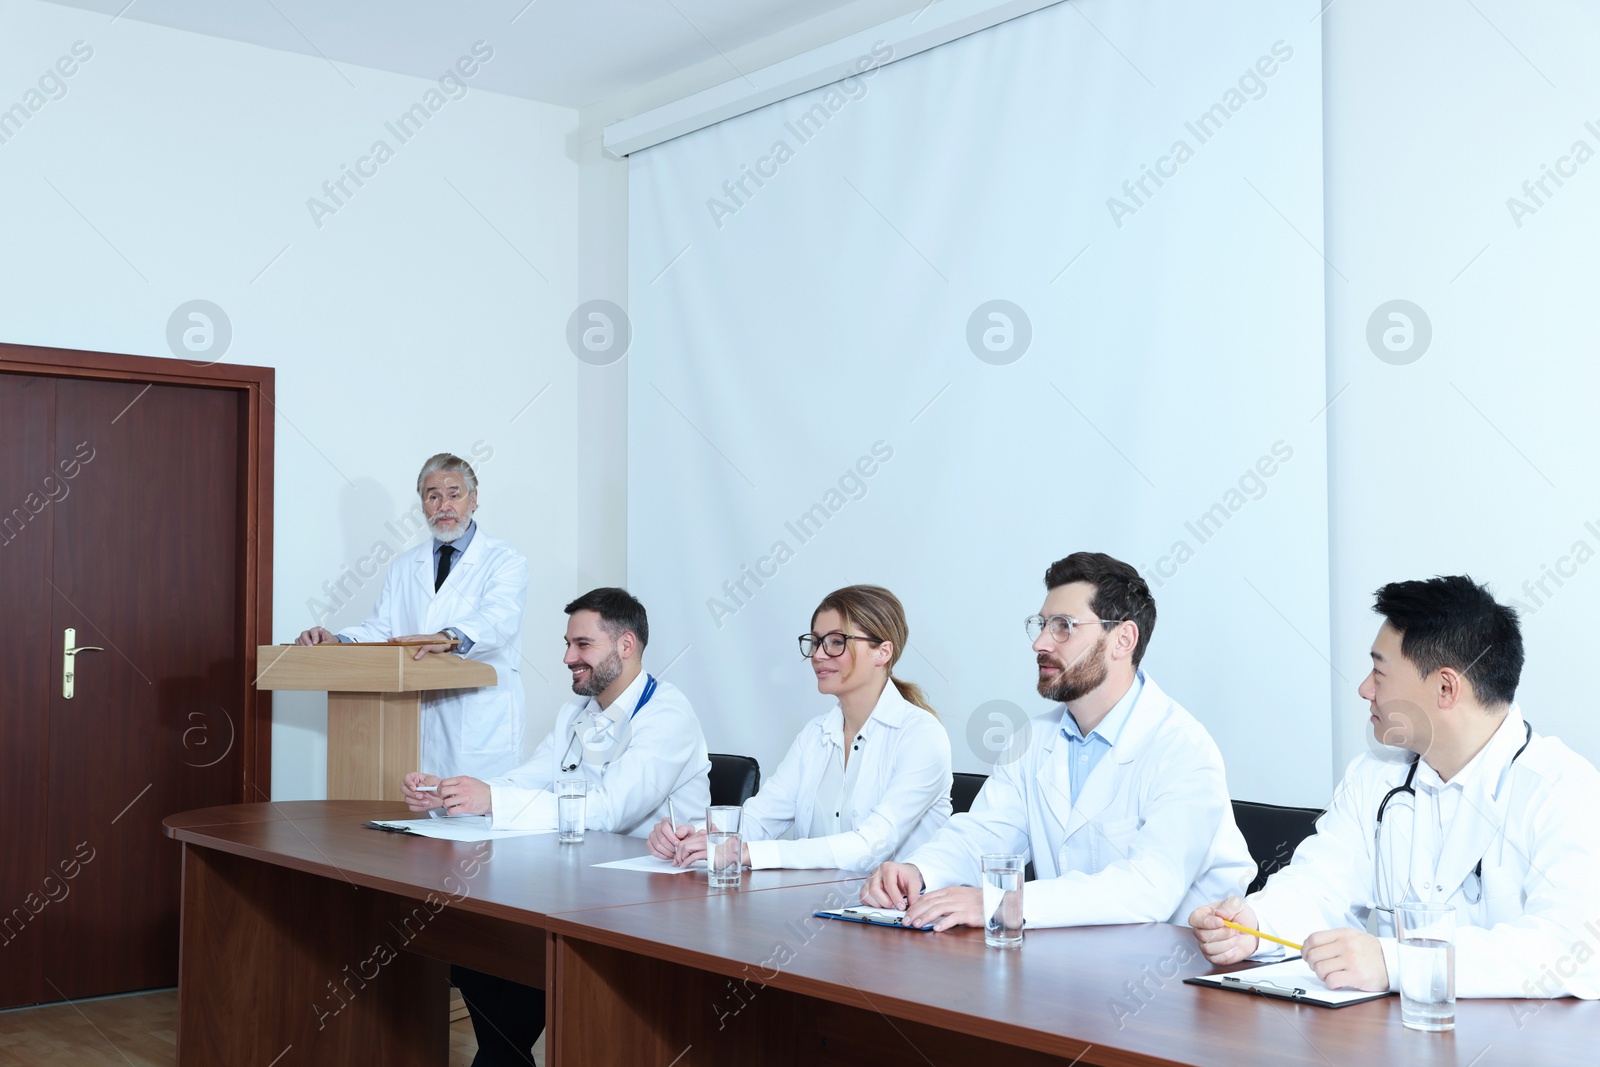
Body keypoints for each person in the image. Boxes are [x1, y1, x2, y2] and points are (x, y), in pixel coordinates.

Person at [1190, 575, 1600, 998]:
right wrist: (1255, 925)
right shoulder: (1375, 775)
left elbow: (1577, 949)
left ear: (1445, 687)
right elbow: (1321, 883)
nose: (1365, 689)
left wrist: (1396, 962)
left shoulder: (1563, 789)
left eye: (1379, 672)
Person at [861, 551, 1253, 930]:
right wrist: (918, 870)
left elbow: (1148, 889)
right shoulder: (1032, 738)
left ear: (1123, 639)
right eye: (1042, 624)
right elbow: (985, 835)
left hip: (1173, 971)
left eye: (1064, 626)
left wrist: (1002, 902)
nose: (1041, 644)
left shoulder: (1183, 748)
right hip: (1068, 960)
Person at [402, 587, 710, 1067]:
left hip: (647, 898)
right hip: (576, 883)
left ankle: (501, 1057)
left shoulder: (667, 714)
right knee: (473, 937)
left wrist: (495, 800)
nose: (568, 657)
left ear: (625, 646)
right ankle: (503, 1056)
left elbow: (611, 810)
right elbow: (527, 779)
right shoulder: (577, 712)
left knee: (515, 953)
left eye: (582, 645)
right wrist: (455, 793)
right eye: (567, 644)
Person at [647, 585, 952, 872]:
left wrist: (748, 853)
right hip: (818, 909)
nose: (818, 655)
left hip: (904, 920)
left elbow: (872, 845)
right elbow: (760, 819)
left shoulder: (921, 736)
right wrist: (692, 834)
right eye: (817, 642)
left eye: (836, 642)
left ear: (883, 652)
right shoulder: (814, 735)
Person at [296, 452, 528, 780]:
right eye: (433, 496)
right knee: (419, 817)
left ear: (473, 500)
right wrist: (338, 640)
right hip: (413, 722)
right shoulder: (405, 565)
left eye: (454, 494)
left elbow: (499, 620)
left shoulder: (505, 560)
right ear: (422, 506)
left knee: (476, 822)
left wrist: (448, 638)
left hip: (479, 718)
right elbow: (383, 629)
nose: (443, 505)